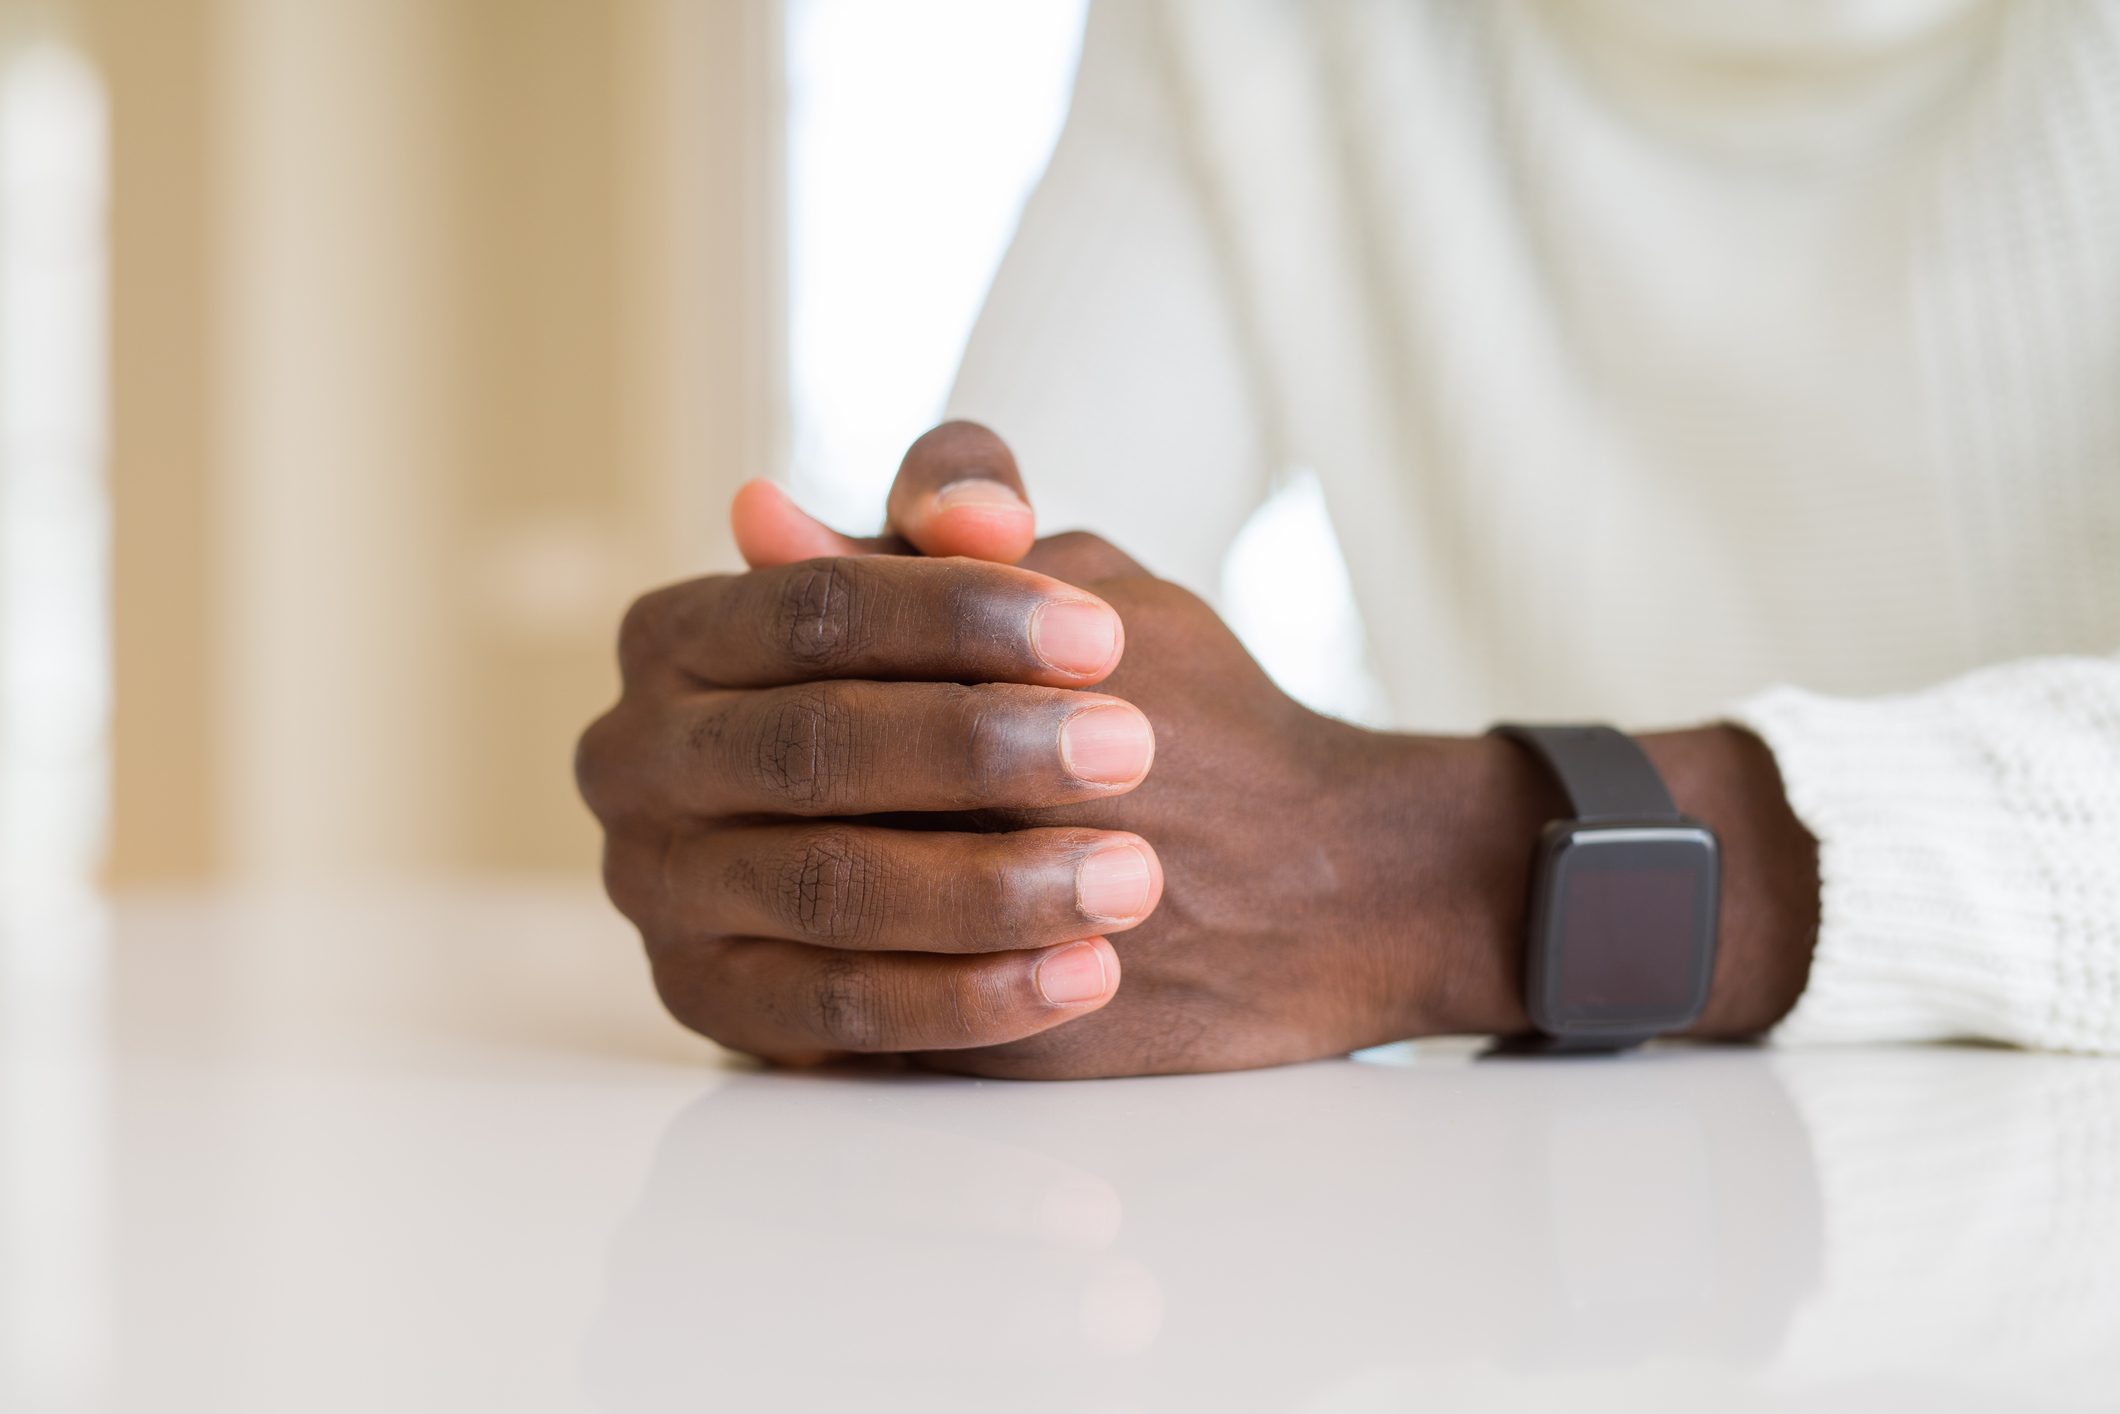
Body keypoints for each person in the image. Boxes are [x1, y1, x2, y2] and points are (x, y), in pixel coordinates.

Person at [575, 0, 2120, 1077]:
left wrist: (1422, 869)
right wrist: (906, 771)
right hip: (1528, 1252)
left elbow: (1327, 870)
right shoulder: (1248, 25)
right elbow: (1048, 646)